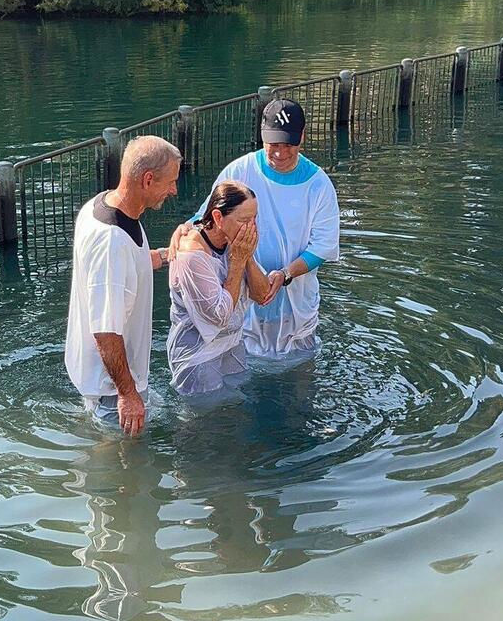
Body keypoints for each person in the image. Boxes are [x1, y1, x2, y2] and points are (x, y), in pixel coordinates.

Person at [169, 97, 339, 362]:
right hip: (245, 296)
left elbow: (323, 246)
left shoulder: (318, 184)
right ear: (261, 137)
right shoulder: (239, 170)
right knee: (244, 371)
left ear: (302, 137)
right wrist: (184, 228)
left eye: (288, 144)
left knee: (299, 376)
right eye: (273, 144)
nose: (280, 153)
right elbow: (207, 215)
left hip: (295, 301)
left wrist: (286, 274)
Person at [65, 134, 181, 436]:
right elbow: (105, 330)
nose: (174, 190)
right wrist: (127, 395)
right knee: (124, 462)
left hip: (105, 383)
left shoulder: (102, 205)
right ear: (147, 180)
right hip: (112, 390)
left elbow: (130, 267)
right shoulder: (111, 242)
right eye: (169, 182)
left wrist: (169, 255)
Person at [167, 181, 271, 397]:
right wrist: (238, 261)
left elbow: (263, 295)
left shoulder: (236, 243)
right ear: (217, 217)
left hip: (231, 345)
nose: (251, 227)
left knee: (237, 418)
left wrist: (247, 257)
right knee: (208, 424)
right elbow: (219, 317)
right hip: (197, 355)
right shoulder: (192, 253)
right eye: (244, 220)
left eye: (255, 218)